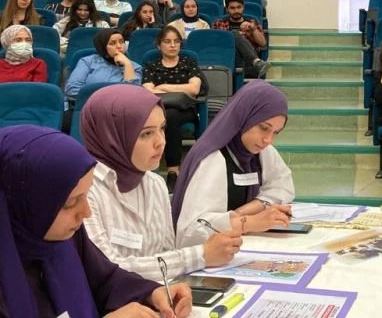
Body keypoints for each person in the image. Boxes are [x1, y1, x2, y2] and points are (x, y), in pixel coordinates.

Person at [0, 125, 192, 317]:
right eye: (70, 203)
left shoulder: (66, 236)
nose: (86, 212)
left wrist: (152, 293)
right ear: (22, 203)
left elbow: (105, 280)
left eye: (86, 195)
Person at [82, 86, 240, 281]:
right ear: (110, 137)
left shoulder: (155, 183)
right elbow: (107, 269)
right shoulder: (84, 191)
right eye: (146, 134)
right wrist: (200, 255)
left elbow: (167, 253)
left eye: (162, 128)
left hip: (158, 293)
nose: (161, 142)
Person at [172, 81, 295, 247]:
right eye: (264, 128)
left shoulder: (262, 152)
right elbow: (191, 231)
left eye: (276, 132)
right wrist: (249, 222)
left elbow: (283, 188)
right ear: (244, 117)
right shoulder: (213, 158)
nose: (268, 140)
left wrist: (244, 212)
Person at [143, 26, 208, 190]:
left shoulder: (189, 62)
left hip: (186, 109)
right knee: (168, 114)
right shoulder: (152, 65)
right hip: (158, 109)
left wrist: (164, 86)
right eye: (167, 41)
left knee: (170, 115)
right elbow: (148, 90)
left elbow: (194, 89)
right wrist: (181, 89)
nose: (172, 45)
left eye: (176, 41)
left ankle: (173, 170)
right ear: (159, 45)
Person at [64, 29, 143, 97]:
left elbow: (133, 95)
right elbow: (72, 89)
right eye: (112, 43)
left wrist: (128, 65)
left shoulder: (135, 67)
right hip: (87, 105)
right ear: (103, 47)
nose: (119, 46)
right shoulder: (87, 62)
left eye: (122, 42)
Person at [212, 0, 269, 78]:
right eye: (232, 8)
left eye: (239, 7)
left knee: (235, 35)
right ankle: (257, 62)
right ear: (227, 9)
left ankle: (255, 62)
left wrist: (253, 30)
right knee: (234, 34)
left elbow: (263, 43)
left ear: (243, 7)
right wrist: (235, 36)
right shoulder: (219, 23)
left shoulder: (252, 22)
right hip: (227, 60)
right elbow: (215, 44)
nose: (236, 11)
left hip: (248, 64)